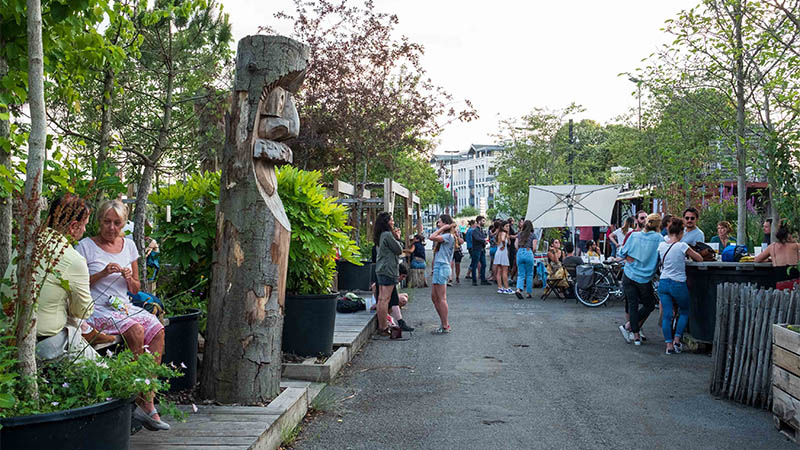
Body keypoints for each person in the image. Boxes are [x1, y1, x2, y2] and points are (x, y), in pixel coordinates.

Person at [76, 199, 169, 431]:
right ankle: (142, 401)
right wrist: (101, 274)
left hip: (122, 306)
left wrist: (129, 279)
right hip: (97, 307)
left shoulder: (129, 246)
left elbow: (136, 289)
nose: (111, 228)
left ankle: (147, 394)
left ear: (123, 224)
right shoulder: (86, 246)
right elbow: (78, 286)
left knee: (158, 329)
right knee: (135, 330)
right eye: (107, 222)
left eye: (117, 223)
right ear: (98, 221)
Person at [1, 195, 99, 361]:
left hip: (6, 335)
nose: (84, 230)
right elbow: (83, 310)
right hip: (43, 343)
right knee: (105, 376)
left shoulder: (26, 243)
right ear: (74, 226)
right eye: (84, 225)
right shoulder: (73, 259)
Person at [658, 218, 703, 355]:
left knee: (667, 315)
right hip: (678, 283)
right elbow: (699, 258)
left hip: (664, 282)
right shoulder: (682, 246)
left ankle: (669, 345)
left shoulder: (661, 245)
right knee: (684, 311)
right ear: (681, 232)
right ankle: (677, 339)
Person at [618, 213, 663, 346]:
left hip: (630, 273)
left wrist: (629, 258)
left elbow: (622, 253)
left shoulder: (634, 235)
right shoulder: (659, 238)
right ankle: (630, 328)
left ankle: (635, 334)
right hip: (644, 277)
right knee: (649, 305)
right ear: (658, 225)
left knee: (633, 304)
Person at [372, 211, 404, 339]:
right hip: (388, 269)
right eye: (391, 220)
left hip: (380, 269)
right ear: (386, 222)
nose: (393, 222)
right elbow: (399, 250)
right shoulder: (387, 235)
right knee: (385, 299)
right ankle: (384, 327)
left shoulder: (380, 235)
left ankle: (382, 326)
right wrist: (397, 237)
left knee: (381, 299)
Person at [429, 214, 459, 334]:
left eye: (440, 222)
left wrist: (442, 229)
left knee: (441, 298)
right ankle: (443, 323)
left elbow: (431, 237)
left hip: (442, 266)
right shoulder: (446, 236)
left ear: (445, 224)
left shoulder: (448, 236)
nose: (438, 224)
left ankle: (445, 324)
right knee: (434, 297)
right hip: (439, 266)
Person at [514, 220, 537, 299]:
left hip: (520, 252)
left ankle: (518, 290)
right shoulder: (533, 235)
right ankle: (528, 293)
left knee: (521, 274)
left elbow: (516, 245)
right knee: (529, 274)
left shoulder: (519, 234)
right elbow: (534, 248)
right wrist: (531, 252)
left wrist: (520, 250)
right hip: (528, 252)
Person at [470, 216, 490, 286]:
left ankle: (483, 279)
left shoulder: (481, 230)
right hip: (476, 249)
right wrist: (484, 240)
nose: (484, 222)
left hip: (481, 249)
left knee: (483, 264)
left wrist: (484, 240)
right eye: (483, 221)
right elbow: (477, 238)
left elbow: (482, 237)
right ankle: (474, 280)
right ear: (479, 221)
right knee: (475, 264)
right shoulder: (475, 230)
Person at [493, 221, 512, 294]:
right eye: (506, 226)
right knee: (505, 271)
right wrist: (504, 245)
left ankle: (500, 287)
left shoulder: (499, 233)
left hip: (498, 252)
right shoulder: (504, 233)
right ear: (503, 227)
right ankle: (507, 287)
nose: (508, 227)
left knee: (499, 271)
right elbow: (503, 239)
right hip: (503, 252)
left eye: (508, 226)